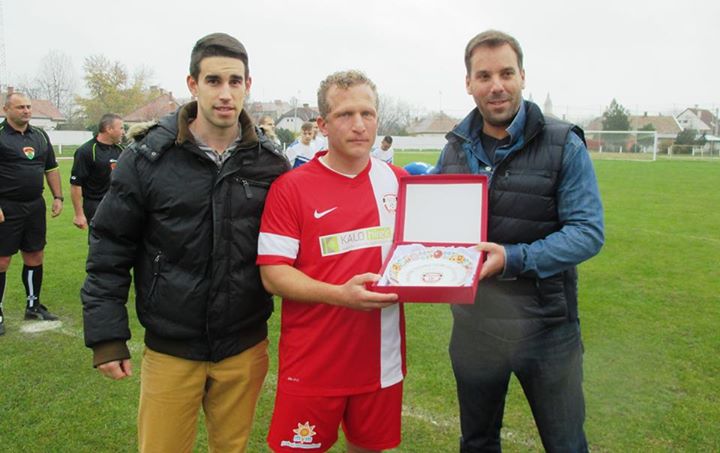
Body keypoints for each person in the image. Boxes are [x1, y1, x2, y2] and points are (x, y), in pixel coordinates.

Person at [81, 33, 289, 452]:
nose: (225, 93)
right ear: (193, 84)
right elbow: (110, 247)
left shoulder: (270, 164)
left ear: (248, 85)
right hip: (171, 349)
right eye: (214, 80)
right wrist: (107, 336)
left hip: (244, 347)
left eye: (235, 81)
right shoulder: (147, 158)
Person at [435, 30, 604, 452]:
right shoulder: (454, 148)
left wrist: (513, 258)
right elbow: (432, 226)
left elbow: (587, 232)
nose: (497, 85)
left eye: (506, 73)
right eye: (484, 75)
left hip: (547, 330)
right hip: (475, 328)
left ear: (522, 76)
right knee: (477, 442)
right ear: (468, 83)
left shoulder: (564, 143)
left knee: (565, 443)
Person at [258, 70, 407, 453]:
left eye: (367, 113)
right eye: (345, 115)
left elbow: (423, 255)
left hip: (381, 362)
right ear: (323, 125)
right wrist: (340, 295)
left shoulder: (401, 183)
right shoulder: (290, 187)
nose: (359, 125)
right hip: (313, 363)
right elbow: (273, 274)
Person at [0, 92, 63, 335]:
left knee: (35, 255)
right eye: (20, 107)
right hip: (6, 207)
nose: (26, 111)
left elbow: (51, 168)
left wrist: (57, 197)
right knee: (2, 260)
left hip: (35, 206)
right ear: (6, 110)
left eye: (28, 107)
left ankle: (33, 305)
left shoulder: (40, 135)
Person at [70, 113, 124, 230]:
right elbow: (76, 184)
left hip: (118, 204)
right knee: (100, 239)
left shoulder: (122, 150)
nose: (123, 132)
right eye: (121, 128)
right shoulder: (86, 151)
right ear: (109, 129)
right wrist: (79, 214)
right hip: (95, 205)